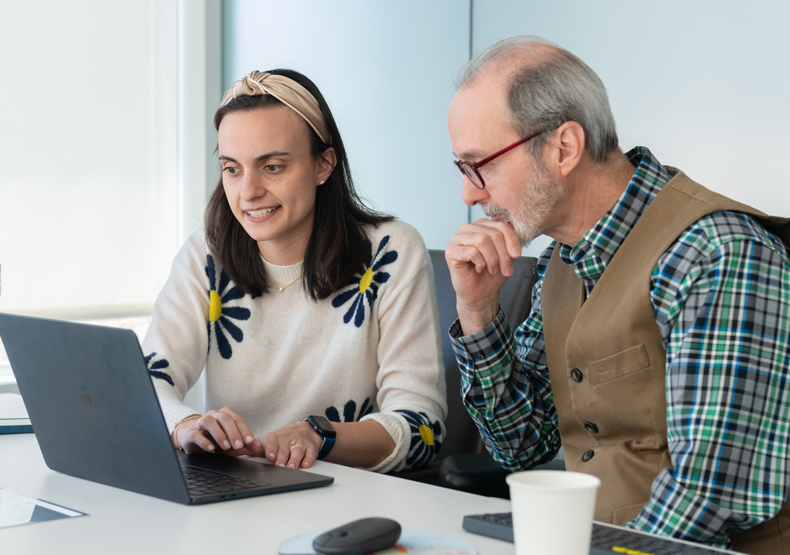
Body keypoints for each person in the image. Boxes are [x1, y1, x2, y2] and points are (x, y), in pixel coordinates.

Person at [445, 36, 790, 554]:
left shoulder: (716, 253)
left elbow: (710, 493)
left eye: (480, 165)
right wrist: (478, 313)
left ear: (564, 148)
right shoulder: (560, 263)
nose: (469, 194)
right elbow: (523, 447)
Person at [142, 69, 446, 474]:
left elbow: (422, 428)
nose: (248, 192)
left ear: (323, 165)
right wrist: (186, 425)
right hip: (233, 491)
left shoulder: (390, 252)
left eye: (272, 167)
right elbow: (148, 385)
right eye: (232, 168)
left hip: (345, 496)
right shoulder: (206, 253)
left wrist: (319, 437)